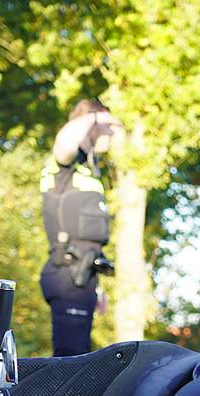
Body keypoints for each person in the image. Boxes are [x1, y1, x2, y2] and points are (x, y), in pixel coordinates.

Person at [40, 99, 123, 356]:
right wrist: (97, 118)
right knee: (69, 360)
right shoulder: (64, 167)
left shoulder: (89, 174)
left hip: (84, 277)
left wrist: (97, 288)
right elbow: (64, 144)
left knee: (79, 355)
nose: (110, 134)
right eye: (107, 127)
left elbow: (89, 240)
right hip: (66, 274)